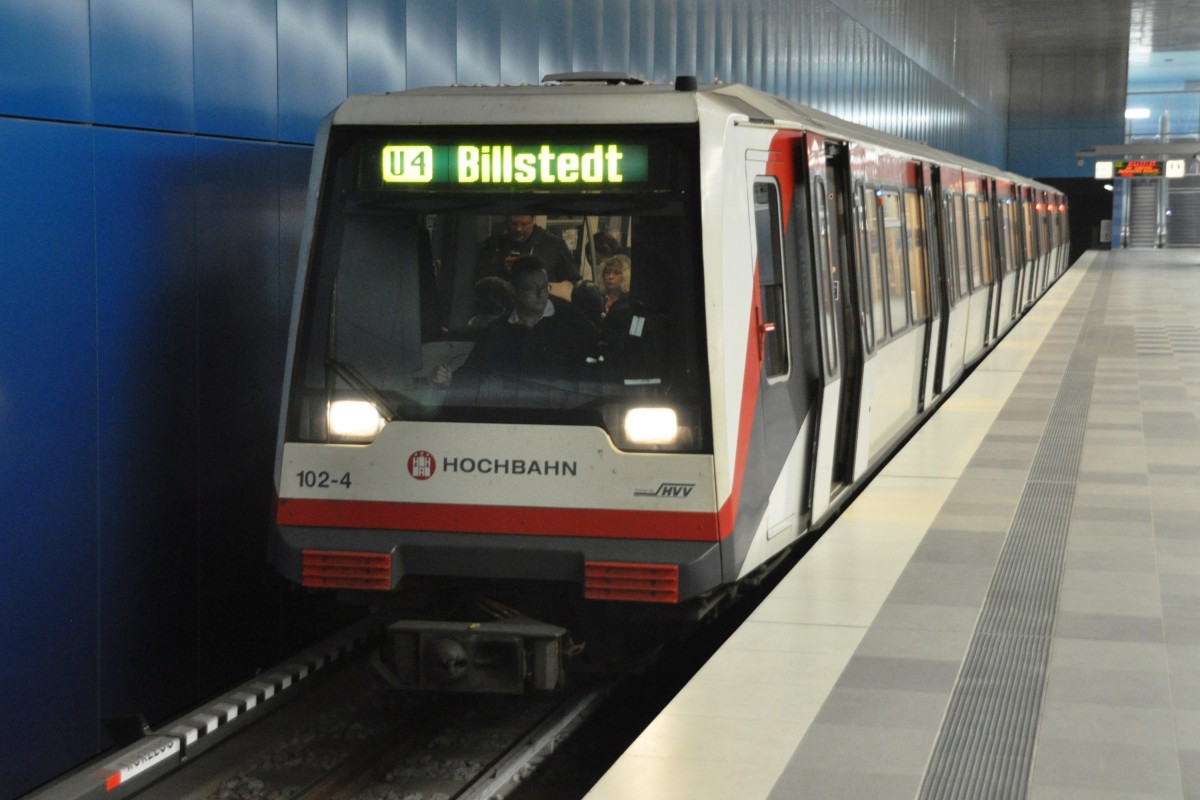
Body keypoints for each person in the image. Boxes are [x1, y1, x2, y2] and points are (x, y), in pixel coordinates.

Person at [435, 256, 597, 391]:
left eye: (544, 287)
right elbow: (475, 370)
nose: (541, 294)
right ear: (513, 290)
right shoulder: (499, 330)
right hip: (516, 415)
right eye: (532, 288)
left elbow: (597, 365)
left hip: (567, 415)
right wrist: (450, 379)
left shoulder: (572, 319)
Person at [477, 213, 580, 299]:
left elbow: (574, 286)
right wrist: (502, 269)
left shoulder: (553, 245)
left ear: (533, 220)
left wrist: (541, 286)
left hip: (543, 313)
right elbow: (479, 284)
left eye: (524, 224)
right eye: (513, 224)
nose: (518, 229)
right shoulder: (494, 245)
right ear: (506, 222)